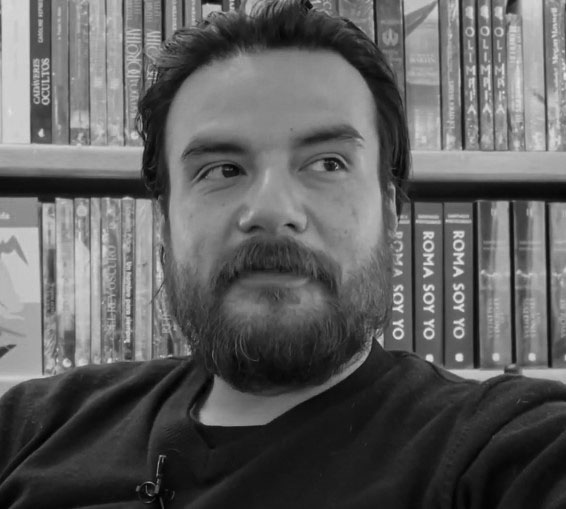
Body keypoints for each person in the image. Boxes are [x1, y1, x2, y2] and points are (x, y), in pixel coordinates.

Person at [1, 1, 566, 507]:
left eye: (327, 163)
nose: (272, 210)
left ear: (391, 213)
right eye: (222, 169)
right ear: (163, 223)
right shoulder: (31, 425)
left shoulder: (503, 445)